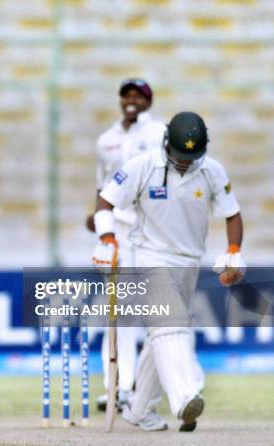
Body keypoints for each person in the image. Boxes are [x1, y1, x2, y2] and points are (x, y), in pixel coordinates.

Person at [92, 111, 245, 432]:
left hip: (189, 262)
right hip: (148, 255)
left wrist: (233, 251)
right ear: (166, 144)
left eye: (192, 157)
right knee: (170, 324)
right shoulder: (142, 165)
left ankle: (139, 410)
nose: (185, 163)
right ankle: (184, 397)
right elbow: (105, 202)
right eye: (179, 156)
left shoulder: (212, 171)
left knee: (161, 336)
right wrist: (107, 239)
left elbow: (232, 213)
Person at [87, 79, 166, 411]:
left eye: (138, 95)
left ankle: (145, 390)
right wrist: (96, 216)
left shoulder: (160, 132)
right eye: (126, 95)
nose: (131, 100)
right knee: (118, 315)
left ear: (148, 100)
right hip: (116, 231)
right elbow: (102, 186)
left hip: (151, 231)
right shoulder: (107, 140)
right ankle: (116, 387)